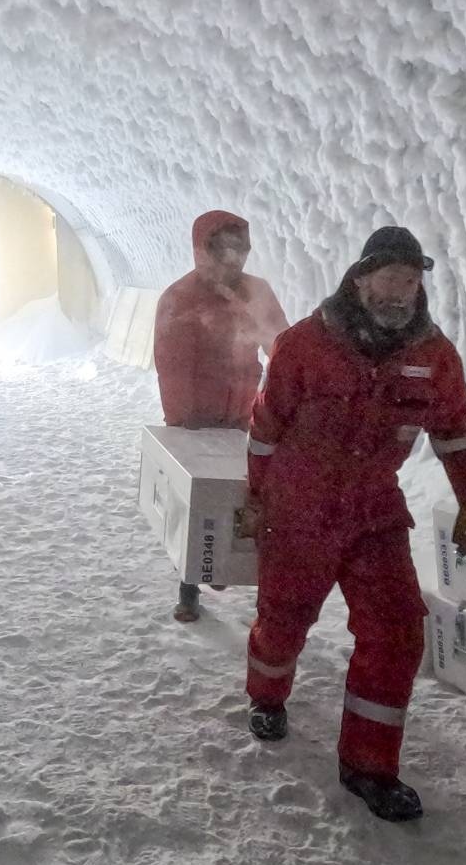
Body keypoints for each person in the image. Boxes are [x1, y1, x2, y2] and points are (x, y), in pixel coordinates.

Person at [237, 226, 466, 823]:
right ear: (360, 278)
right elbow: (267, 425)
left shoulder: (433, 357)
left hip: (373, 510)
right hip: (300, 508)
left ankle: (369, 767)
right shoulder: (305, 344)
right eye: (389, 277)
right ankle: (267, 695)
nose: (400, 291)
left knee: (398, 630)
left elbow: (455, 429)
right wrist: (256, 497)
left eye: (411, 280)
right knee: (284, 617)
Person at [152, 210, 291, 623]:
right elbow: (172, 365)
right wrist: (184, 421)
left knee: (253, 500)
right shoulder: (180, 298)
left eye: (241, 247)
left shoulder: (257, 293)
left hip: (246, 414)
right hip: (196, 420)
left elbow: (281, 346)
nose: (236, 257)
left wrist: (284, 398)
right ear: (205, 249)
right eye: (226, 247)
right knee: (200, 504)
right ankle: (189, 585)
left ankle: (254, 584)